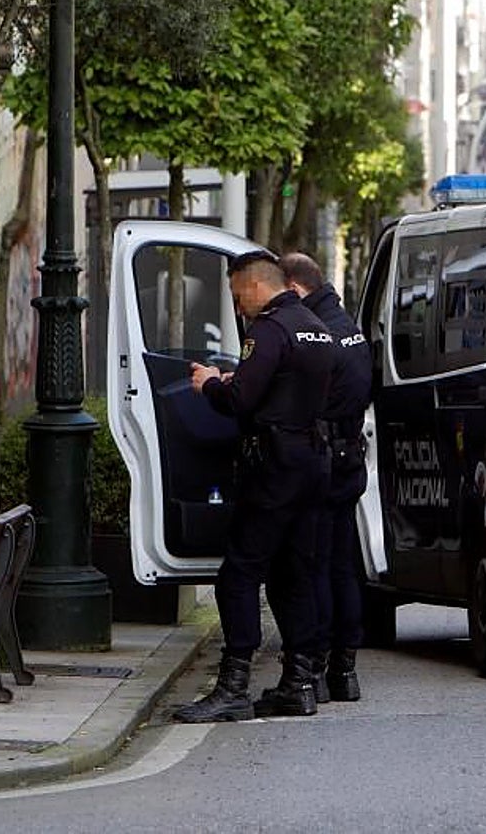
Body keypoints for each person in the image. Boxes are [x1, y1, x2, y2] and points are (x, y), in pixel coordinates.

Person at [174, 250, 334, 723]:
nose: (237, 304)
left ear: (252, 285)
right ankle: (300, 683)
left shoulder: (268, 328)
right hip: (311, 460)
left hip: (273, 467)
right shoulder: (314, 325)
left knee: (238, 576)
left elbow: (242, 399)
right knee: (293, 575)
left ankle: (233, 686)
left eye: (236, 293)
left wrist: (210, 385)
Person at [265, 252, 371, 705]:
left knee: (313, 566)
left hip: (320, 456)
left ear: (294, 287)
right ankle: (344, 672)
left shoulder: (314, 331)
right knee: (344, 565)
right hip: (349, 454)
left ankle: (314, 665)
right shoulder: (348, 326)